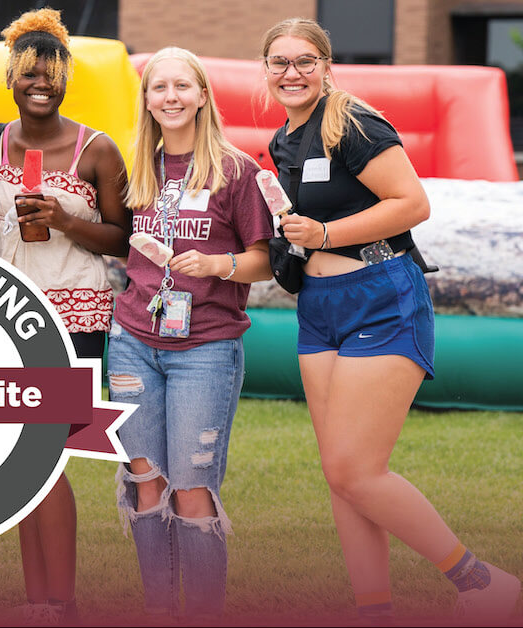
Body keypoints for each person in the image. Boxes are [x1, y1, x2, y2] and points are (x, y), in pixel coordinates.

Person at [261, 18, 521, 623]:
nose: (291, 73)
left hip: (379, 293)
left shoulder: (351, 120)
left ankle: (481, 581)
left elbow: (413, 204)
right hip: (318, 307)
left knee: (357, 468)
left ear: (326, 65)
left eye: (304, 61)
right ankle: (373, 607)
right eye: (278, 62)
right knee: (340, 475)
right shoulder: (283, 141)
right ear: (265, 69)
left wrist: (324, 233)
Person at [108, 47, 273, 621]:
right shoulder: (138, 167)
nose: (170, 97)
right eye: (159, 88)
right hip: (132, 341)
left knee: (192, 488)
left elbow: (266, 261)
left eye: (182, 86)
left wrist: (217, 266)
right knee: (145, 484)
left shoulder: (237, 171)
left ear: (203, 94)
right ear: (146, 99)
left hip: (205, 346)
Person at [0, 9, 129, 625]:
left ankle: (60, 599)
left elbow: (124, 239)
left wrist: (66, 220)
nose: (40, 83)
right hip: (6, 313)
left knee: (46, 454)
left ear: (66, 79)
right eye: (28, 74)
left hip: (74, 314)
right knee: (21, 457)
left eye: (51, 74)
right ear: (11, 80)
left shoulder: (96, 149)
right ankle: (35, 597)